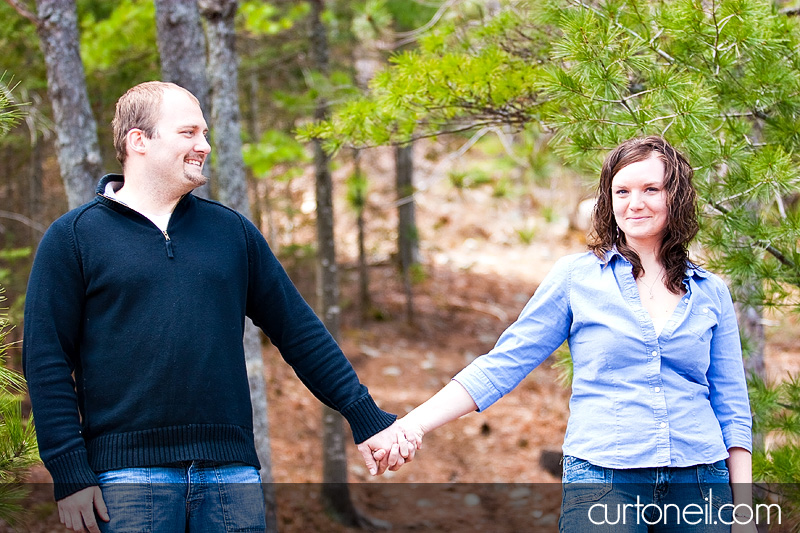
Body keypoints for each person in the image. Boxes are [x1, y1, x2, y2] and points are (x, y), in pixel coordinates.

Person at [23, 81, 410, 533]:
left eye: (204, 133)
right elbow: (47, 361)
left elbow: (299, 332)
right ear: (138, 141)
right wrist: (70, 474)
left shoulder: (231, 233)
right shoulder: (75, 237)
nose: (203, 146)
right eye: (188, 133)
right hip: (127, 479)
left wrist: (365, 415)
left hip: (231, 476)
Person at [389, 137, 756, 532]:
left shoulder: (711, 291)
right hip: (603, 479)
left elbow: (732, 407)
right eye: (622, 191)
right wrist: (413, 424)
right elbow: (503, 364)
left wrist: (744, 513)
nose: (635, 203)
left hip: (699, 482)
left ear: (677, 196)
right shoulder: (576, 278)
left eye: (651, 189)